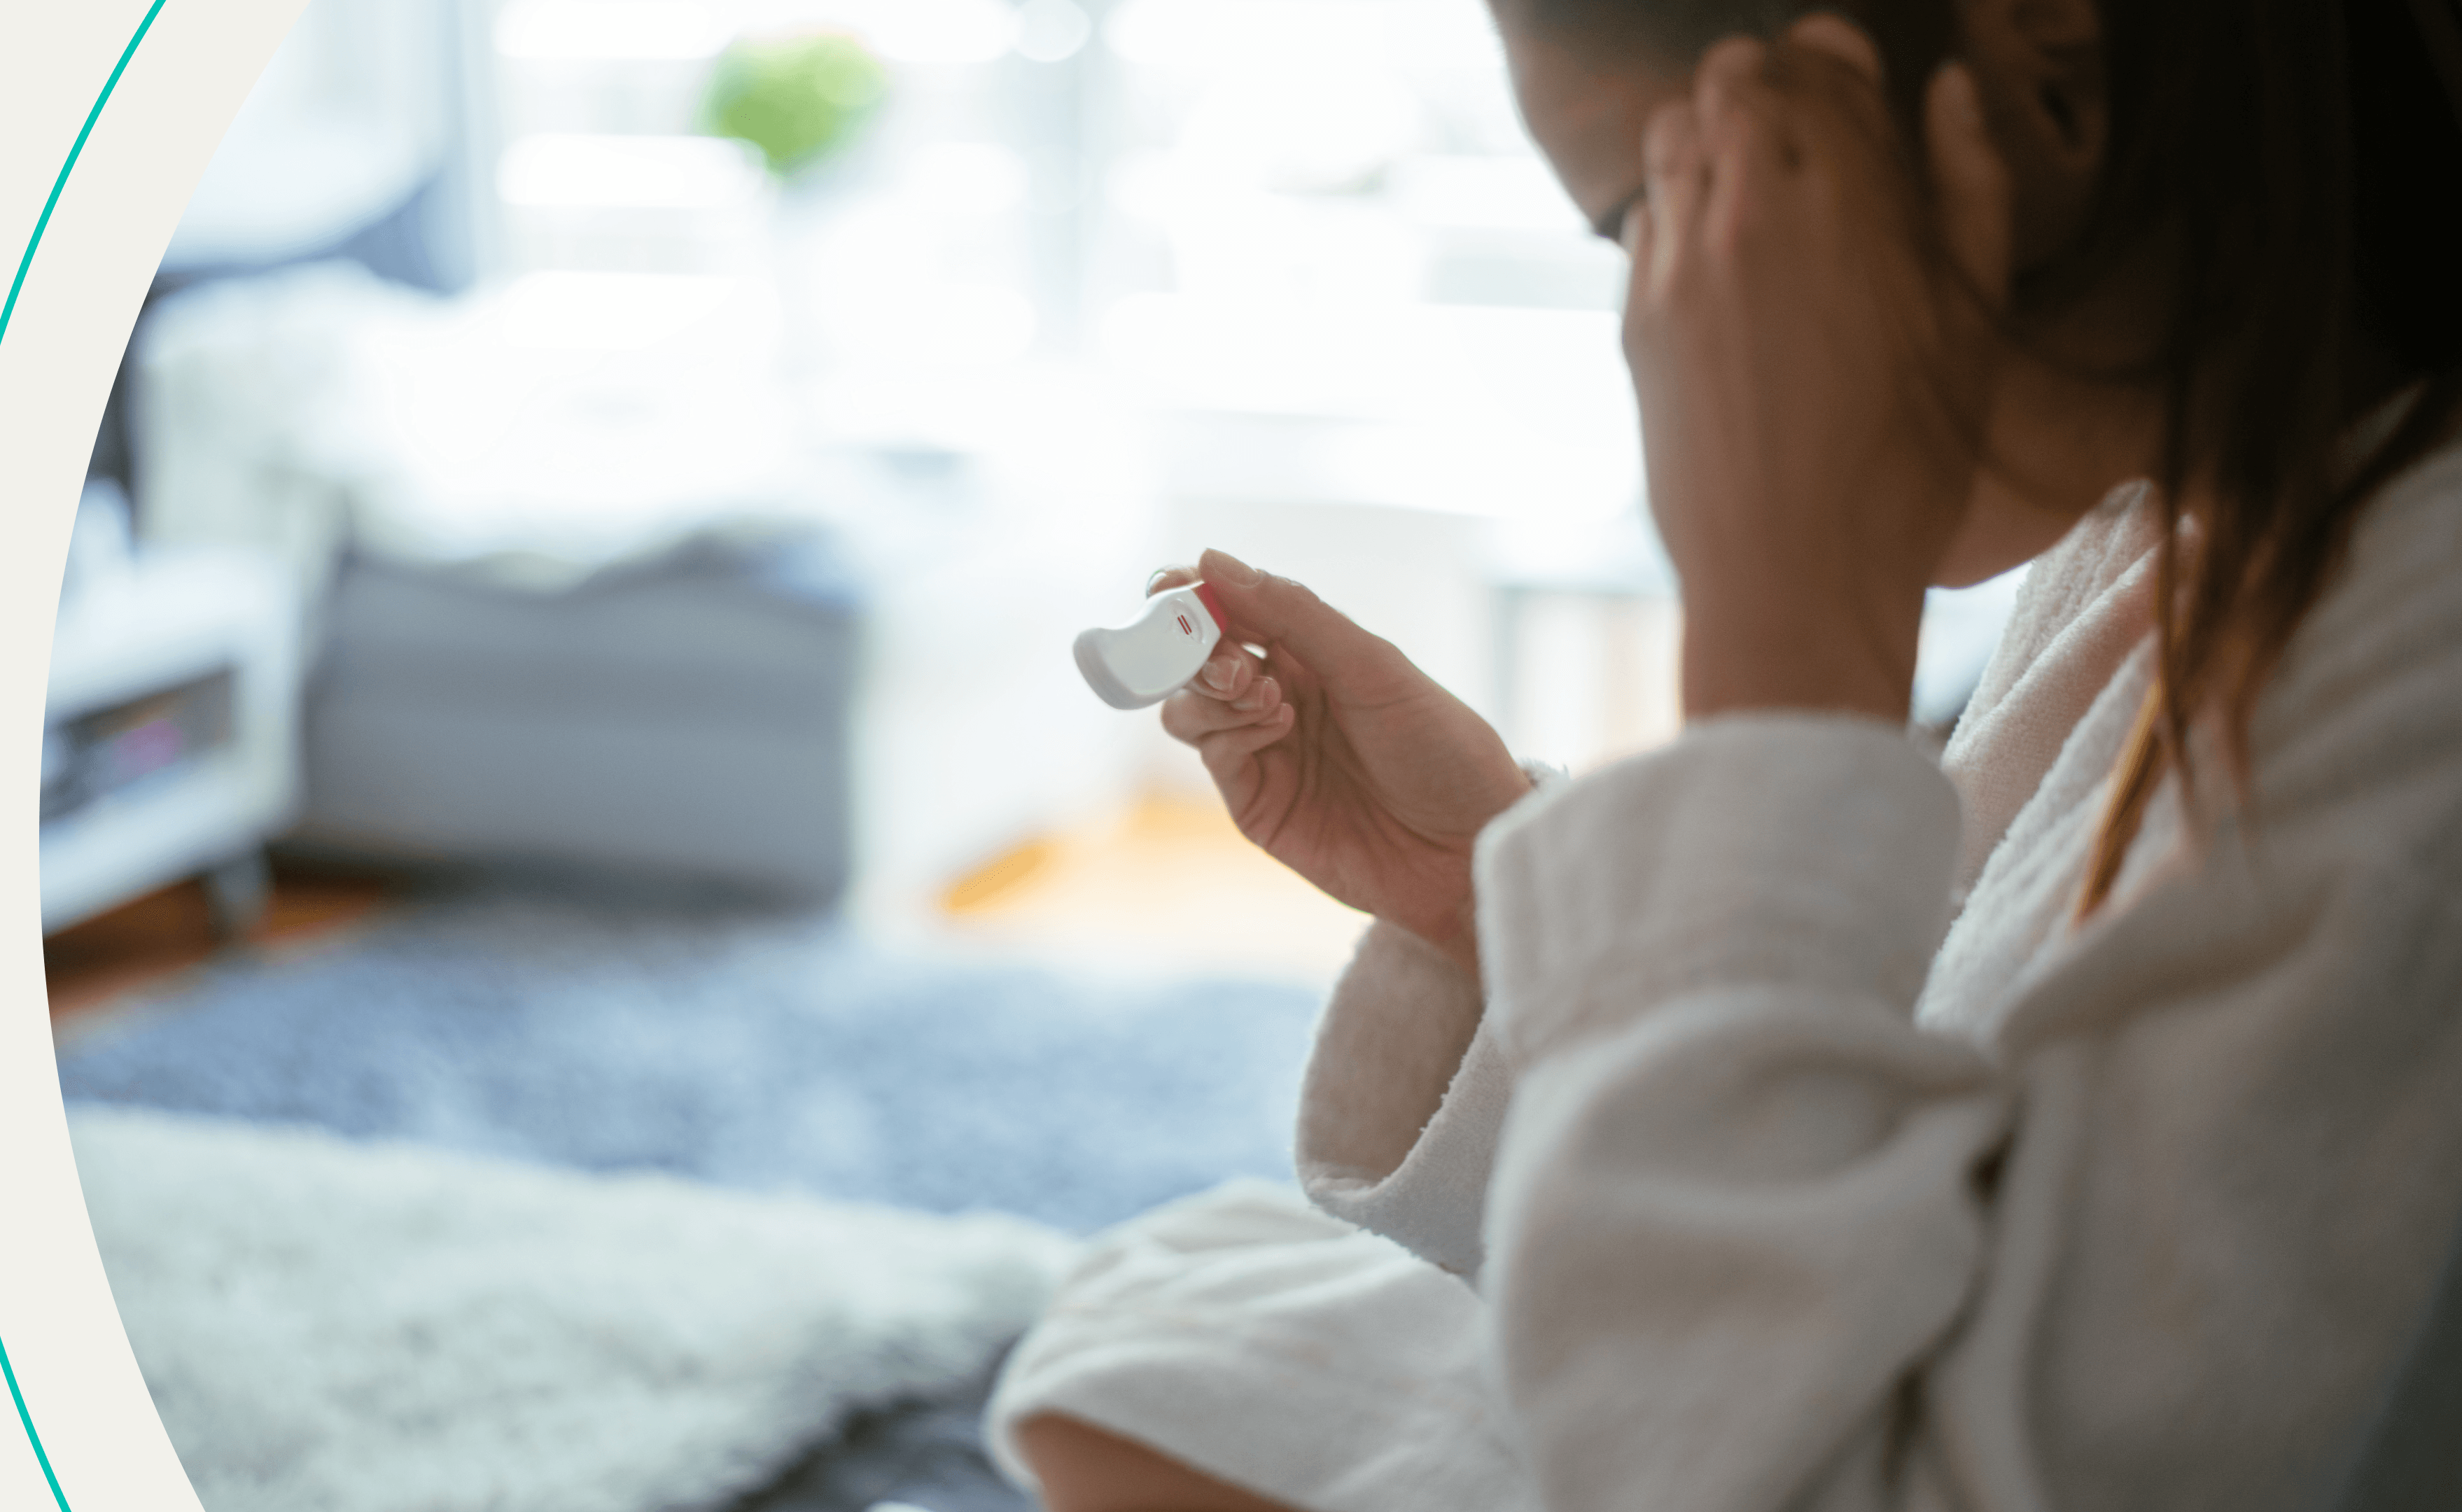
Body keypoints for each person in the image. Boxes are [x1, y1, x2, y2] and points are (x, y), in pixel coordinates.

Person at [981, 0, 2462, 1508]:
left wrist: (1791, 650)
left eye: (1661, 217)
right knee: (1157, 1333)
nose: (1667, 322)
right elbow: (1925, 1077)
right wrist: (1487, 883)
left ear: (2044, 71)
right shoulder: (2179, 517)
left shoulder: (2414, 718)